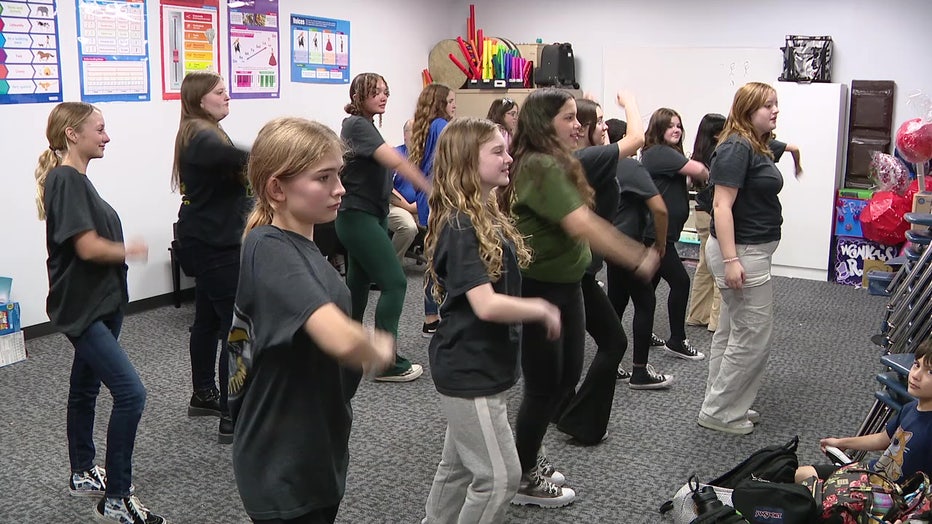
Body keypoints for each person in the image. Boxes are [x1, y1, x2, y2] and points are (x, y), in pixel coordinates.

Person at [227, 117, 395, 524]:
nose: (340, 188)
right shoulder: (268, 247)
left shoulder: (303, 245)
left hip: (317, 446)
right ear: (276, 188)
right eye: (323, 177)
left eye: (339, 173)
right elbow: (337, 337)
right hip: (281, 462)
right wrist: (375, 344)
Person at [499, 88, 659, 507]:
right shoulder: (538, 166)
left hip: (567, 285)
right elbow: (582, 224)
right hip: (541, 289)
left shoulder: (557, 161)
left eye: (578, 118)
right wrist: (634, 254)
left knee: (565, 378)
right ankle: (522, 475)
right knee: (543, 385)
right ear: (543, 122)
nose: (579, 126)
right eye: (569, 118)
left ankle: (528, 453)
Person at [422, 117, 564, 523]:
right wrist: (540, 308)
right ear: (469, 162)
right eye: (497, 151)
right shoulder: (461, 223)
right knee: (500, 478)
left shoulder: (483, 213)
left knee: (458, 471)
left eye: (507, 148)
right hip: (470, 369)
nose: (509, 158)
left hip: (485, 364)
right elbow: (484, 305)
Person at [35, 102, 165, 523]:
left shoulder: (76, 181)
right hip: (84, 308)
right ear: (73, 134)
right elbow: (87, 247)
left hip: (101, 302)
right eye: (100, 129)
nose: (106, 137)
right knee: (131, 394)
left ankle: (81, 471)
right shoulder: (66, 179)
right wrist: (130, 249)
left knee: (85, 387)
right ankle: (116, 498)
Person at [555, 93, 647, 442]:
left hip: (581, 269)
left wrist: (588, 102)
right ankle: (580, 421)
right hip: (577, 273)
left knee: (568, 348)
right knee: (612, 341)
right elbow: (637, 137)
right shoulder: (586, 158)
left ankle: (563, 411)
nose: (606, 126)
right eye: (599, 121)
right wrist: (630, 101)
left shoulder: (583, 157)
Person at [698, 82, 786, 435]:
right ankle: (720, 411)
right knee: (752, 338)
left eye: (776, 104)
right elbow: (721, 205)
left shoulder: (754, 143)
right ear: (749, 110)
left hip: (748, 251)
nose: (775, 110)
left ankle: (723, 404)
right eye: (768, 105)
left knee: (734, 332)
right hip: (742, 253)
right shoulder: (736, 146)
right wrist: (732, 260)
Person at [171, 71, 250, 443]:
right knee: (233, 327)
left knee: (205, 319)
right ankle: (231, 416)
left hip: (204, 238)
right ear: (201, 100)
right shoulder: (203, 137)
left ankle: (204, 394)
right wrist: (286, 152)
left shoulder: (199, 132)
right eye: (220, 92)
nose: (227, 96)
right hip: (215, 244)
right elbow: (238, 158)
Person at [336, 72, 430, 382]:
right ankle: (387, 362)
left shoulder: (366, 127)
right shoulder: (356, 125)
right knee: (395, 282)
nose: (383, 96)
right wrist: (430, 189)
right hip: (357, 216)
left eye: (386, 92)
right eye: (376, 92)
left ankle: (346, 351)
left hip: (370, 214)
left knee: (359, 286)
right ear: (358, 95)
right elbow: (396, 162)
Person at [795, 339, 932, 485]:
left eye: (930, 372)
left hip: (888, 498)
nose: (916, 375)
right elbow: (883, 439)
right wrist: (843, 443)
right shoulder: (910, 408)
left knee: (803, 495)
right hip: (871, 477)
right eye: (916, 365)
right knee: (795, 474)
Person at [601, 121, 675, 390]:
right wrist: (661, 243)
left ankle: (610, 364)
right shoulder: (630, 166)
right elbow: (661, 210)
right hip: (629, 246)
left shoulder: (600, 165)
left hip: (610, 245)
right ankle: (640, 371)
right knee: (645, 302)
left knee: (616, 303)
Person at [640, 108, 709, 362]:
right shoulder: (659, 152)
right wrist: (704, 169)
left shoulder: (667, 156)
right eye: (670, 126)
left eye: (679, 125)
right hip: (656, 235)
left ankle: (644, 333)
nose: (676, 130)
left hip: (663, 234)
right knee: (680, 282)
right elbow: (699, 170)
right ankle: (677, 340)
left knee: (649, 286)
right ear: (659, 130)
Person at [408, 83, 456, 335]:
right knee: (443, 261)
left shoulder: (422, 127)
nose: (454, 106)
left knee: (431, 262)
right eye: (450, 101)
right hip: (440, 201)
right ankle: (444, 315)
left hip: (425, 200)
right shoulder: (443, 127)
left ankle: (430, 318)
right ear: (440, 104)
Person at [685, 113, 726, 330]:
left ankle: (698, 314)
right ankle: (716, 321)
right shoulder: (720, 154)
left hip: (700, 212)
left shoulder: (698, 154)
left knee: (704, 264)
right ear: (718, 133)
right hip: (713, 213)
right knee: (720, 265)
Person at [387, 119, 421, 263]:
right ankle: (390, 266)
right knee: (408, 227)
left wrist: (419, 207)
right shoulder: (395, 155)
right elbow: (388, 188)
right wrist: (408, 207)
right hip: (395, 205)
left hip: (422, 205)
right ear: (405, 135)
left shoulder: (429, 157)